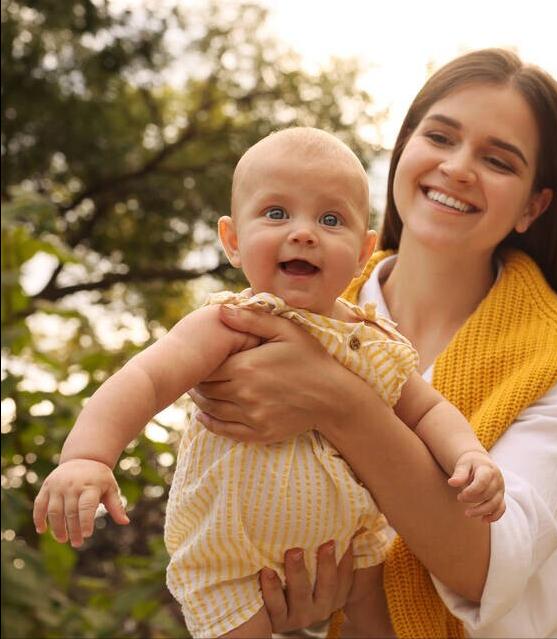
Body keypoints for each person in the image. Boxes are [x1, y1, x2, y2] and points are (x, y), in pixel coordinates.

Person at [189, 49, 557, 638]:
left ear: (534, 206)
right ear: (403, 149)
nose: (458, 168)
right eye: (440, 137)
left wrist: (340, 402)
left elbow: (485, 566)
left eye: (498, 161)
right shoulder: (297, 304)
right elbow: (246, 486)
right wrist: (293, 610)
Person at [31, 127, 506, 638]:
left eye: (330, 219)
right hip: (233, 560)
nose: (304, 233)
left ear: (363, 250)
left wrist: (469, 456)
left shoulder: (373, 341)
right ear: (232, 241)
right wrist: (87, 457)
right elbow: (144, 380)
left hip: (348, 545)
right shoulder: (231, 324)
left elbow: (428, 410)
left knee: (381, 615)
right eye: (277, 214)